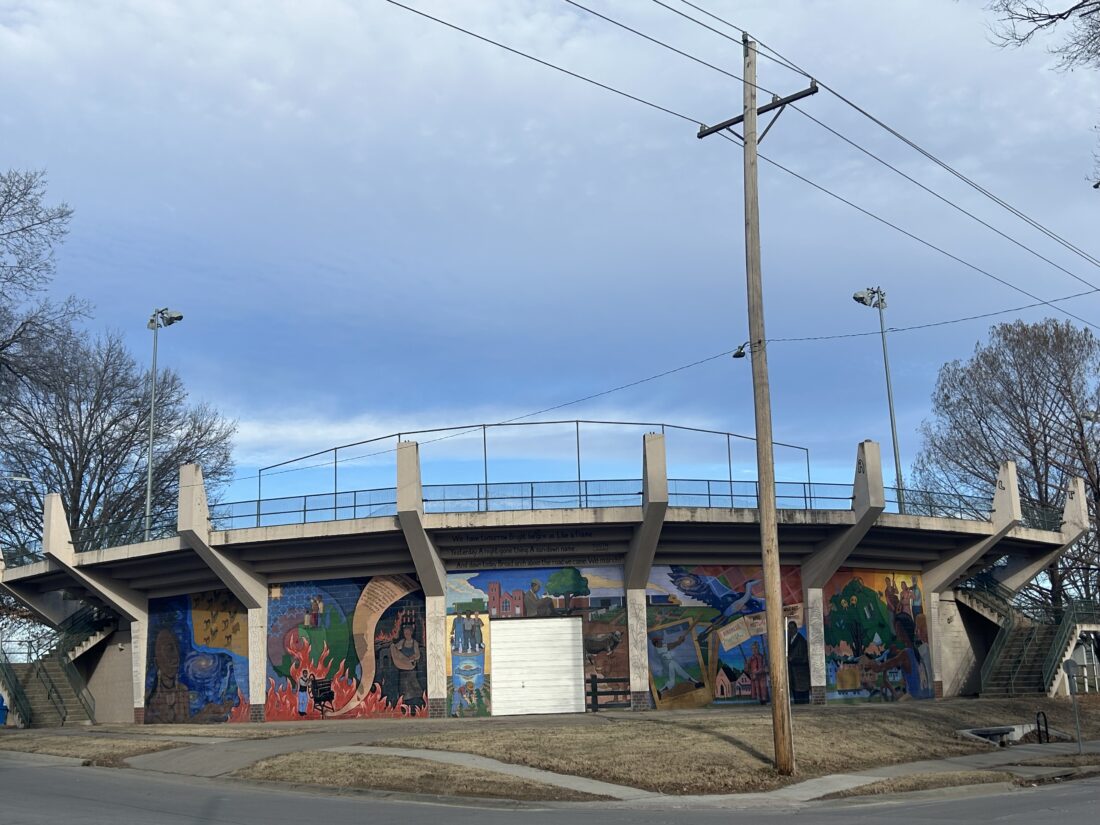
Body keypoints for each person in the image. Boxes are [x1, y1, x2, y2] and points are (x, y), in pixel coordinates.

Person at [651, 630, 702, 698]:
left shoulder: (661, 646)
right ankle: (659, 691)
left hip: (671, 662)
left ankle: (697, 683)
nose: (661, 641)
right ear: (656, 644)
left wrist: (679, 641)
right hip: (668, 664)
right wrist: (679, 641)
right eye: (660, 641)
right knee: (672, 682)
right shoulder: (658, 649)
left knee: (683, 673)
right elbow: (672, 645)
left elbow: (673, 644)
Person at [390, 623, 424, 703]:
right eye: (405, 633)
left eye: (408, 633)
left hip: (411, 665)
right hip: (403, 666)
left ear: (411, 633)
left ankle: (418, 698)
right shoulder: (402, 642)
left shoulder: (414, 643)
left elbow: (417, 654)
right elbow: (396, 648)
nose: (406, 635)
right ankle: (405, 700)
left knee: (413, 682)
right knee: (404, 684)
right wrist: (393, 646)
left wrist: (412, 657)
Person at [786, 621, 811, 704]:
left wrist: (792, 659)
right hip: (794, 676)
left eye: (792, 628)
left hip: (801, 675)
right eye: (789, 628)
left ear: (796, 629)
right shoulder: (788, 640)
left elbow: (804, 659)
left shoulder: (802, 641)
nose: (790, 630)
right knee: (797, 699)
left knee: (803, 699)